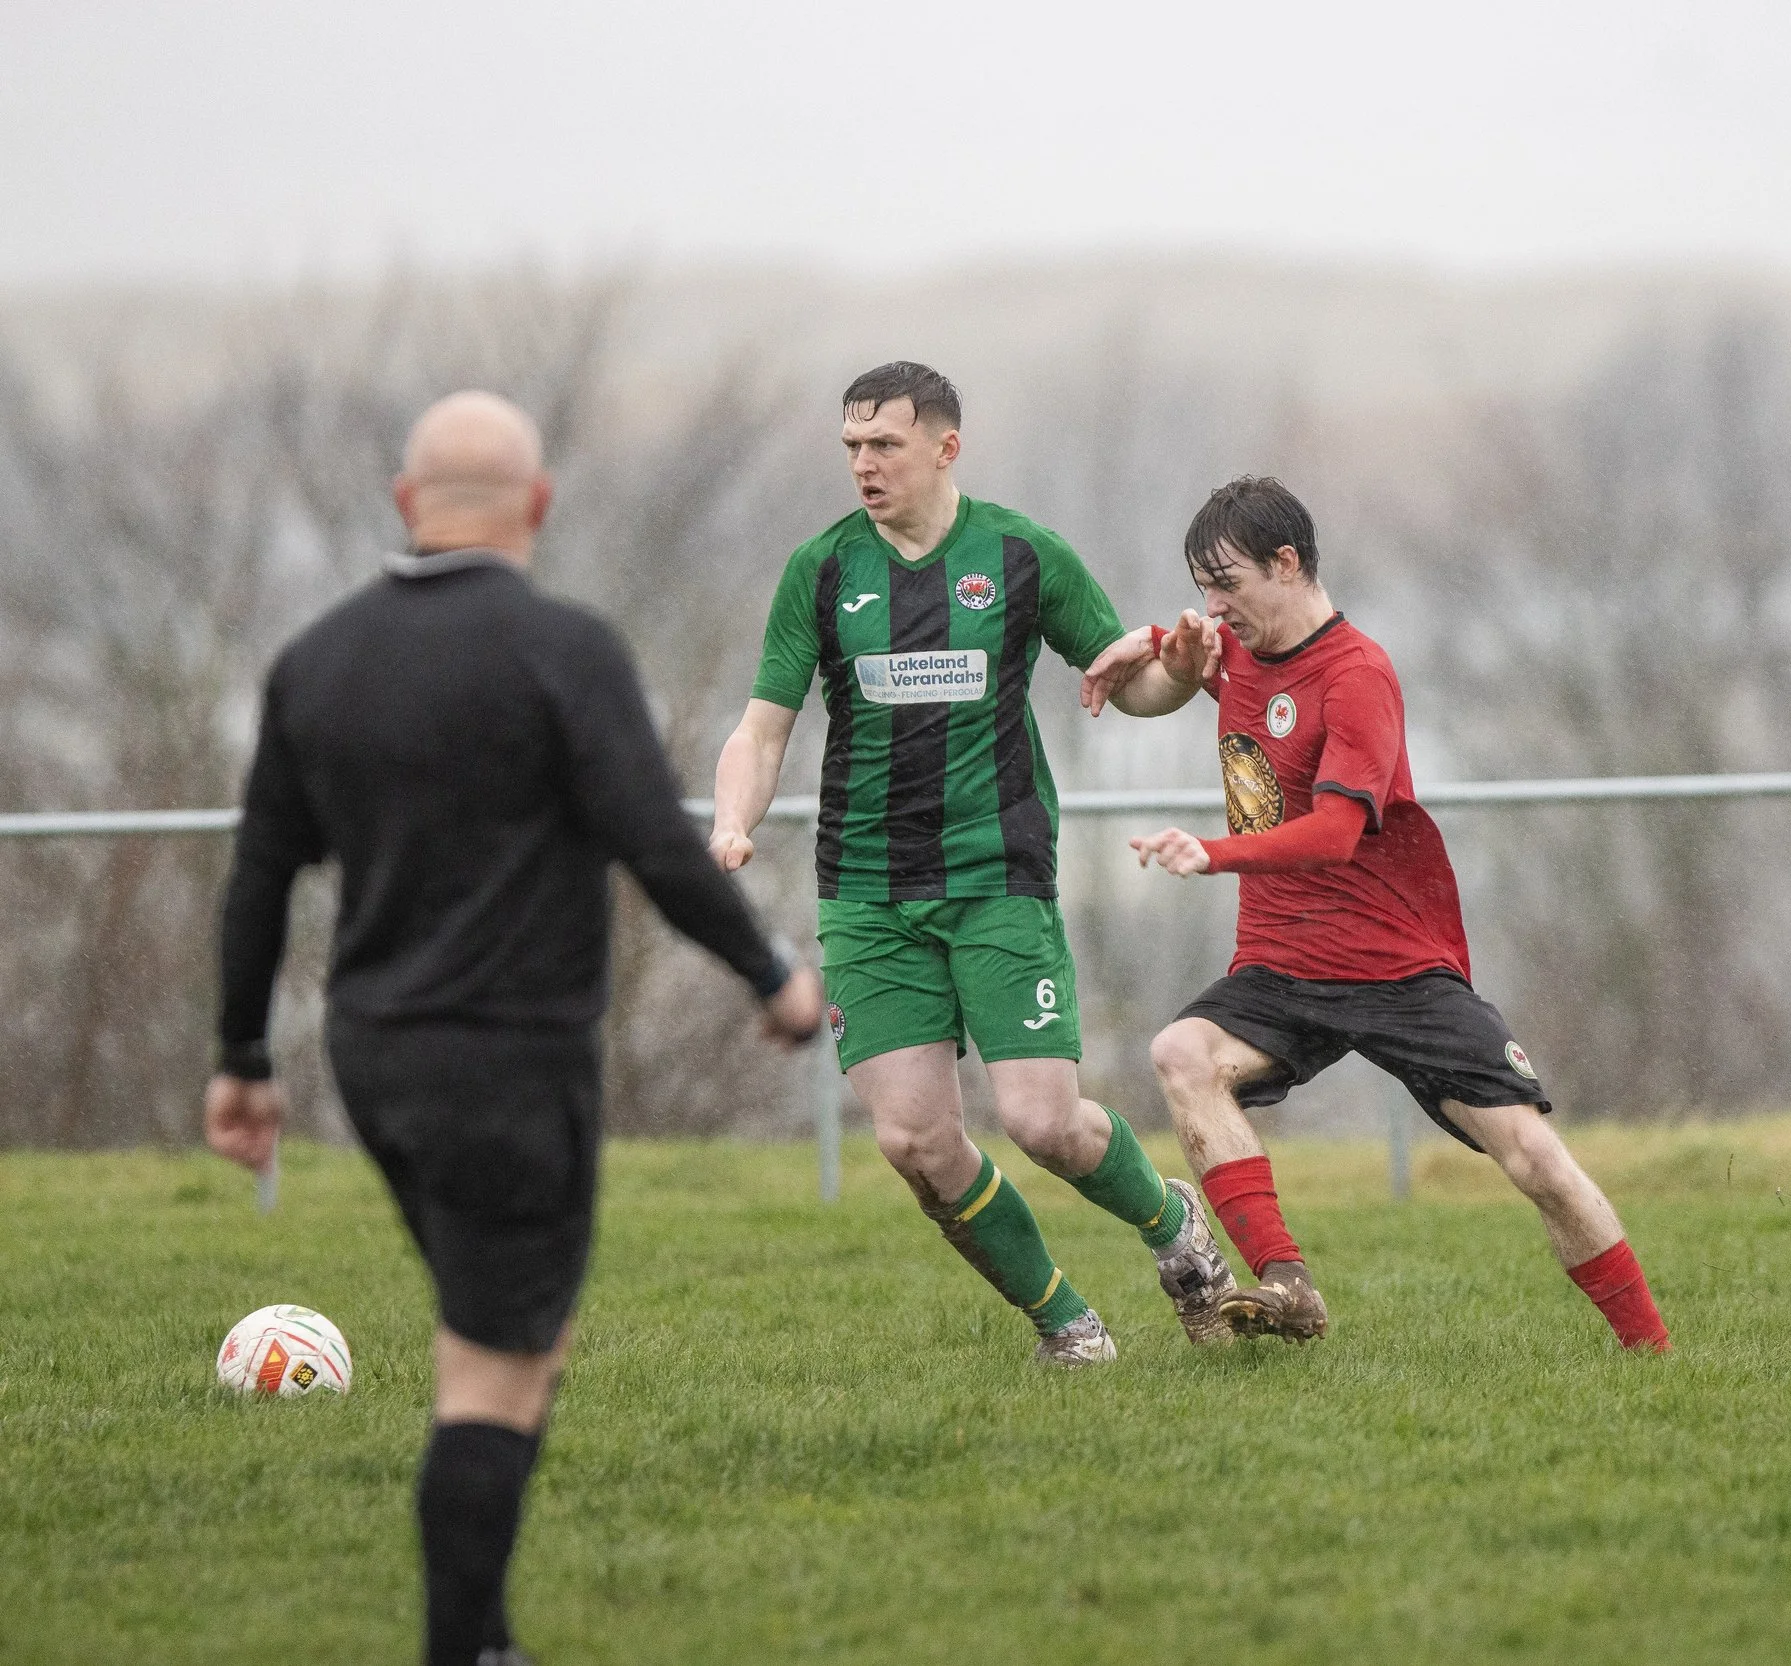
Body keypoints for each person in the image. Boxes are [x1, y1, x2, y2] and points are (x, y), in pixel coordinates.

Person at [205, 391, 826, 1666]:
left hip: (372, 1058)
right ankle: (467, 1650)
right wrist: (771, 974)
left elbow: (261, 873)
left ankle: (483, 1638)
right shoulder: (563, 649)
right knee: (491, 1371)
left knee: (506, 1337)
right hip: (511, 1060)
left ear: (402, 505)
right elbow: (654, 837)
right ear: (537, 505)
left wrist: (242, 1060)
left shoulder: (316, 661)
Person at [707, 361, 1234, 1366]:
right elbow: (762, 728)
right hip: (865, 892)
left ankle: (1174, 1228)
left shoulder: (1022, 553)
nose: (864, 464)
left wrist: (1182, 670)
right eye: (852, 447)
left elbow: (1128, 683)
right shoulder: (820, 570)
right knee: (915, 1142)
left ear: (946, 447)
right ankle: (1067, 1325)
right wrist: (734, 819)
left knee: (1043, 1122)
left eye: (885, 446)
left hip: (997, 879)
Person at [1096, 475, 1672, 1352]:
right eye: (1202, 587)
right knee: (1182, 1054)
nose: (1214, 606)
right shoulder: (1239, 649)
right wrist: (1146, 644)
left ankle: (1653, 1353)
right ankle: (1287, 1284)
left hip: (1395, 965)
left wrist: (1212, 851)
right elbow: (1172, 674)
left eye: (1229, 584)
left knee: (1536, 1162)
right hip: (1284, 961)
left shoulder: (1359, 675)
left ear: (1286, 564)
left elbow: (1333, 835)